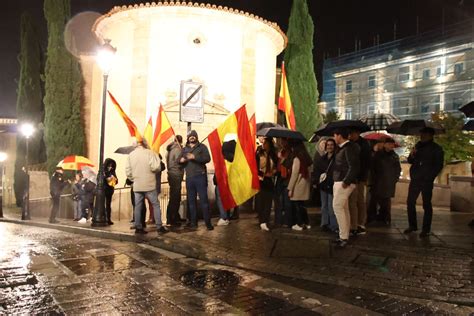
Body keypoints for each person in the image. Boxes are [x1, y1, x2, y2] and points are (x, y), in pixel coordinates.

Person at [404, 127, 444, 238]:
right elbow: (410, 161)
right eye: (421, 134)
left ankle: (426, 229)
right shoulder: (417, 146)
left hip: (426, 180)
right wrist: (412, 155)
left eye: (424, 135)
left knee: (426, 204)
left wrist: (429, 177)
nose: (421, 136)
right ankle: (412, 225)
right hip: (415, 179)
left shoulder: (437, 149)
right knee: (410, 202)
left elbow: (438, 165)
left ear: (430, 135)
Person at [126, 139, 168, 234]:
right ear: (145, 144)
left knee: (138, 206)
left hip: (137, 185)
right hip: (149, 184)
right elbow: (156, 167)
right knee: (156, 205)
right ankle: (159, 227)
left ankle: (138, 227)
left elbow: (128, 171)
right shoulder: (150, 153)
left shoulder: (131, 155)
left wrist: (134, 179)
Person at [179, 130, 214, 230]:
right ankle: (193, 222)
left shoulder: (202, 147)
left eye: (194, 136)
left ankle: (208, 223)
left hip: (200, 176)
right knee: (191, 201)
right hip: (189, 178)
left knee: (204, 200)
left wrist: (194, 157)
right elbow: (178, 160)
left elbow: (207, 158)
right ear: (188, 138)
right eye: (190, 136)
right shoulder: (184, 149)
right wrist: (181, 160)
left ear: (196, 137)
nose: (192, 137)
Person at [332, 128, 360, 248]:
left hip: (343, 181)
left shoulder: (349, 148)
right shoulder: (344, 148)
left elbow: (353, 166)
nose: (334, 138)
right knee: (343, 207)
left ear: (339, 135)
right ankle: (345, 234)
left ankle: (343, 236)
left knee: (337, 206)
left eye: (335, 135)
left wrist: (346, 181)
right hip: (340, 180)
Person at [370, 138, 401, 225]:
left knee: (386, 201)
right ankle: (374, 217)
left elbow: (398, 169)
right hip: (378, 181)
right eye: (389, 143)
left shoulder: (395, 156)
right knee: (375, 199)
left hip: (389, 181)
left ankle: (385, 218)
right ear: (385, 144)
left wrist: (395, 178)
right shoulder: (378, 155)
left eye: (392, 144)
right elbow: (373, 168)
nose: (391, 145)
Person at [348, 129, 371, 236]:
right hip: (352, 177)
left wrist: (363, 178)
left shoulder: (364, 144)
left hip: (360, 177)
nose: (350, 135)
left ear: (357, 133)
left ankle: (360, 223)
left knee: (359, 200)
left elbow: (366, 163)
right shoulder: (350, 144)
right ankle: (354, 223)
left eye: (352, 133)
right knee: (352, 201)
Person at [287, 140, 313, 231]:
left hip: (298, 185)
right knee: (302, 205)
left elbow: (294, 174)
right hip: (304, 184)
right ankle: (306, 222)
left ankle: (299, 224)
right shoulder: (306, 158)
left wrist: (290, 188)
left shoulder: (297, 159)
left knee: (297, 205)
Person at [314, 138, 338, 232]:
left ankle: (333, 225)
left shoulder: (336, 158)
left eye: (331, 145)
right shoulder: (322, 159)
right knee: (324, 205)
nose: (329, 147)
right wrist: (316, 181)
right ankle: (324, 223)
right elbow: (317, 170)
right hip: (323, 185)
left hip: (332, 184)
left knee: (331, 206)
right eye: (328, 145)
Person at [255, 137, 277, 231]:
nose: (264, 144)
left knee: (268, 202)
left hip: (269, 181)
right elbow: (255, 167)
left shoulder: (273, 155)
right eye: (263, 143)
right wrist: (262, 174)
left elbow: (277, 166)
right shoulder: (259, 153)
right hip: (260, 180)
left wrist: (273, 172)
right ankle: (261, 221)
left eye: (266, 143)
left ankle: (265, 221)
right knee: (260, 202)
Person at [274, 138, 293, 227]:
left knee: (287, 202)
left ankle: (287, 221)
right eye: (281, 141)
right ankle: (279, 220)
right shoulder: (280, 152)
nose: (282, 143)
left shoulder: (290, 153)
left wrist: (282, 159)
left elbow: (289, 165)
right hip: (280, 178)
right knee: (279, 201)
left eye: (284, 141)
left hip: (286, 179)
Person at [166, 135, 184, 227]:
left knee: (174, 196)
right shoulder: (177, 149)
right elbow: (179, 162)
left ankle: (174, 216)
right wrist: (185, 160)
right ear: (180, 141)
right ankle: (172, 219)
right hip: (176, 174)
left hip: (171, 174)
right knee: (175, 197)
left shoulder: (170, 149)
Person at [104, 158, 118, 225]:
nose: (110, 167)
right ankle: (103, 218)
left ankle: (108, 219)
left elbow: (116, 181)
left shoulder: (112, 172)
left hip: (109, 190)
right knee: (103, 205)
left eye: (112, 166)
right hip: (103, 190)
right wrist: (106, 178)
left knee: (108, 205)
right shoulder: (103, 171)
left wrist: (114, 178)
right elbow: (99, 180)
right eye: (109, 166)